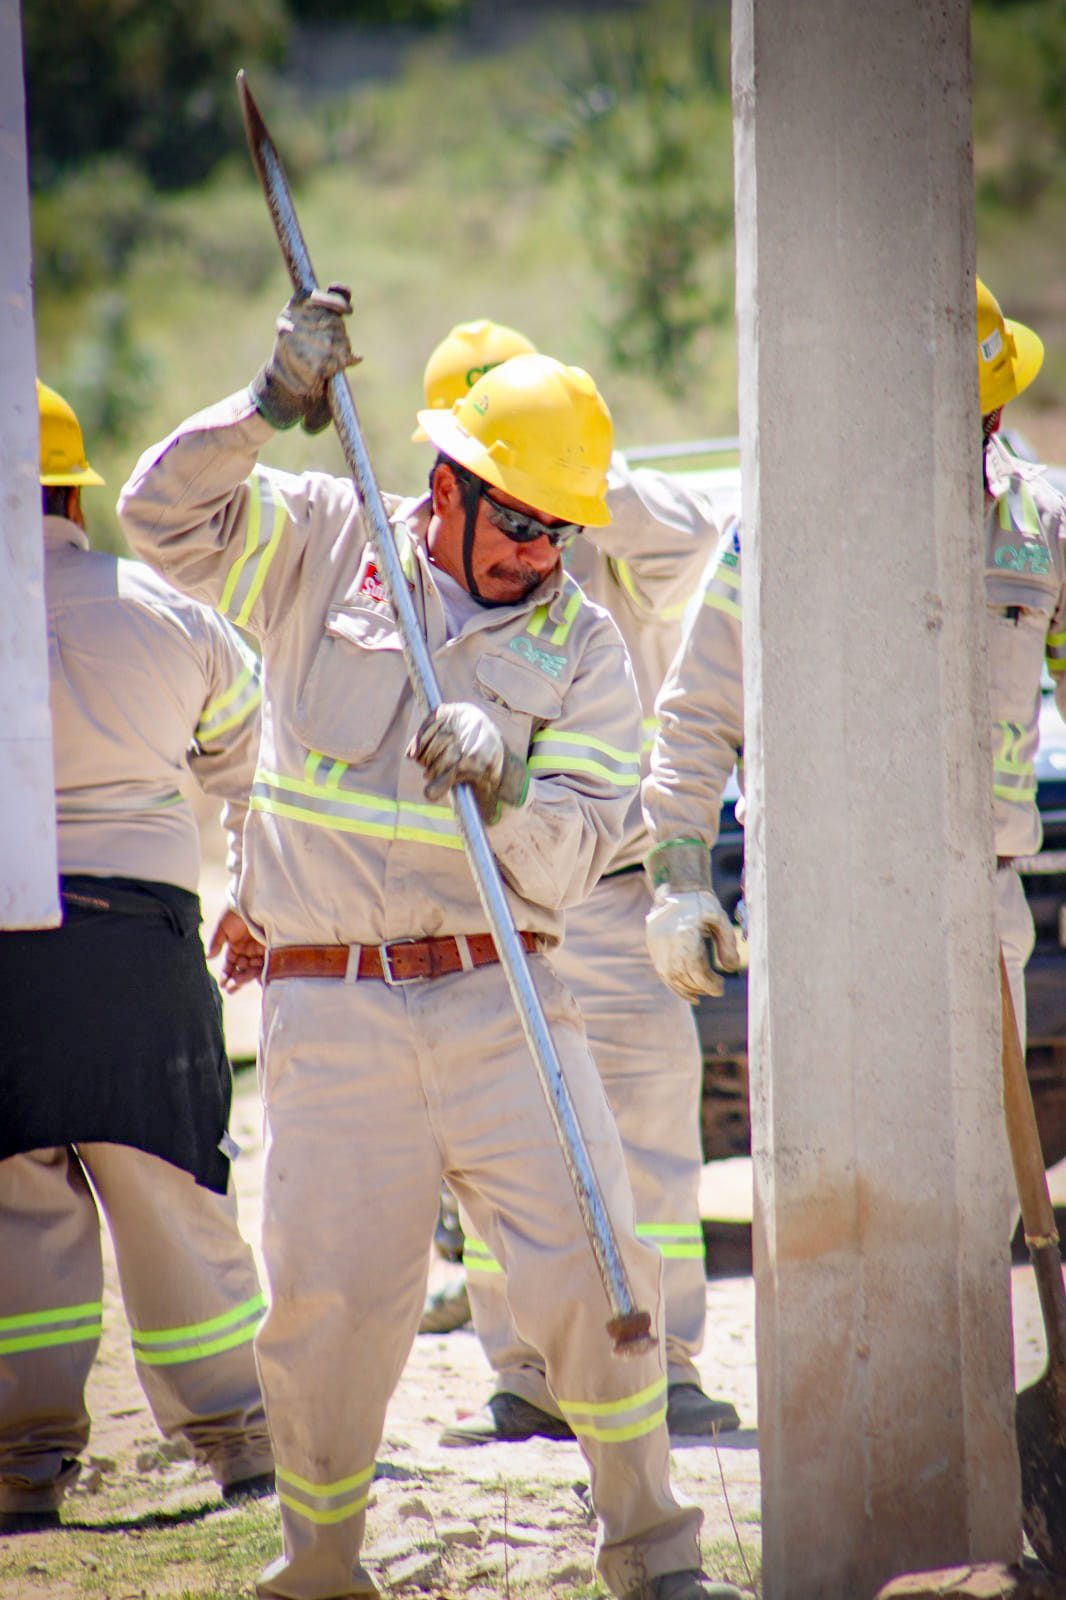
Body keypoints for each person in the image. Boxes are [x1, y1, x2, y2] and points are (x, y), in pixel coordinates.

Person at [117, 291, 742, 1600]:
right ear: (446, 485)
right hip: (329, 1011)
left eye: (561, 530)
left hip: (498, 998)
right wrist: (263, 407)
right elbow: (157, 520)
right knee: (329, 1312)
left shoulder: (581, 646)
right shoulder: (321, 539)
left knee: (593, 1266)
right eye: (518, 522)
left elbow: (573, 853)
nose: (540, 555)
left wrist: (502, 784)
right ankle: (322, 1568)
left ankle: (651, 1554)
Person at [415, 321, 742, 1447]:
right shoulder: (428, 563)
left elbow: (710, 536)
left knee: (647, 1135)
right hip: (482, 897)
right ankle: (523, 1371)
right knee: (506, 1146)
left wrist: (577, 487)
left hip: (607, 892)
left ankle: (672, 1364)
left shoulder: (609, 531)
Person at [642, 277, 1064, 1069]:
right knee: (831, 1186)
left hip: (983, 903)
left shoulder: (1039, 530)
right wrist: (682, 879)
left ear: (994, 417)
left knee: (987, 1184)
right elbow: (699, 712)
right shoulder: (782, 529)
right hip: (821, 912)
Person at [0, 381, 273, 1534]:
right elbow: (256, 767)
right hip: (139, 951)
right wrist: (256, 900)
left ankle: (21, 1465)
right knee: (172, 1199)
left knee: (19, 1213)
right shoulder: (169, 614)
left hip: (9, 962)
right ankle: (246, 1440)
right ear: (72, 489)